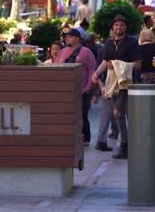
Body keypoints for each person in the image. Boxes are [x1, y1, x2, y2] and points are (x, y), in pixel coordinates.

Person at [92, 14, 142, 159]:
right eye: (116, 25)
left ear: (125, 27)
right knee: (119, 114)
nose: (118, 27)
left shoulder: (132, 42)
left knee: (117, 113)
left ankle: (125, 145)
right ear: (112, 27)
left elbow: (138, 64)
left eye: (121, 25)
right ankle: (128, 144)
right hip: (112, 83)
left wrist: (117, 65)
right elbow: (105, 61)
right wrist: (96, 74)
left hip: (126, 83)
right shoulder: (109, 42)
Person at [57, 29, 96, 145]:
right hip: (66, 90)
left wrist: (88, 88)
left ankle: (85, 138)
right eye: (66, 37)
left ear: (78, 38)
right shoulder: (63, 51)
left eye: (70, 36)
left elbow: (91, 71)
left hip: (82, 89)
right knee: (68, 114)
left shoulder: (86, 52)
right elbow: (57, 68)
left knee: (83, 115)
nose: (67, 38)